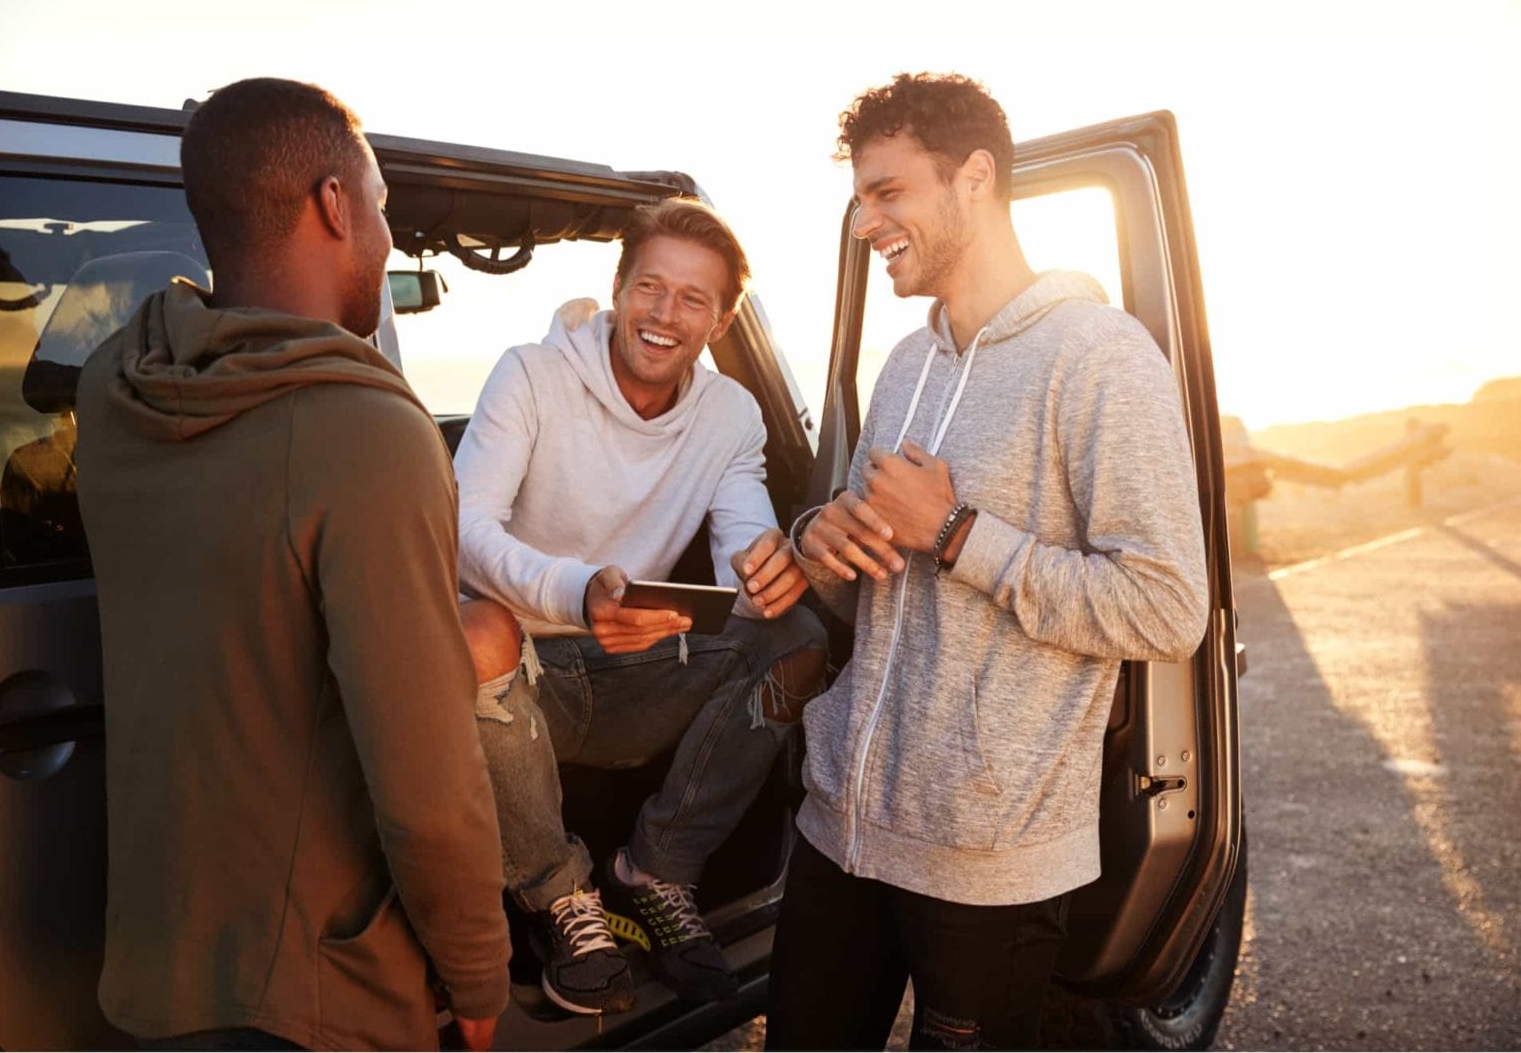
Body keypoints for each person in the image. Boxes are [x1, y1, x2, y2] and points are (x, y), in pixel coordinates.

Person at [766, 73, 1210, 1050]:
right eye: (859, 195)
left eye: (886, 192)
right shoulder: (904, 364)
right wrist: (821, 542)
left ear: (973, 178)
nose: (862, 221)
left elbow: (1168, 605)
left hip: (986, 859)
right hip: (840, 826)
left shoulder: (1098, 357)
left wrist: (961, 533)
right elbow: (868, 587)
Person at [75, 78, 510, 1051]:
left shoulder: (117, 386)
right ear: (333, 204)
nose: (389, 240)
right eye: (386, 208)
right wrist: (478, 969)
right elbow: (426, 781)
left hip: (154, 963)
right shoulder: (365, 434)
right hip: (314, 990)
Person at [453, 198, 827, 1016]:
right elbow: (463, 528)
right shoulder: (531, 373)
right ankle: (560, 896)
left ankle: (656, 868)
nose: (666, 314)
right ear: (619, 289)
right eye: (650, 287)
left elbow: (743, 531)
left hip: (638, 668)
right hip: (516, 683)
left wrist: (770, 561)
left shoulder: (728, 412)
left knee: (797, 635)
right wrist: (578, 591)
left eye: (694, 299)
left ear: (722, 318)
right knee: (476, 634)